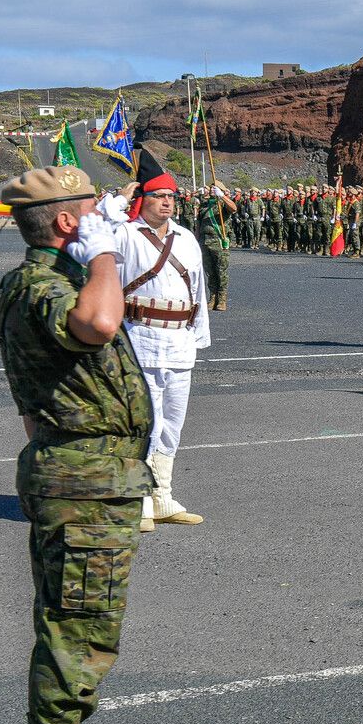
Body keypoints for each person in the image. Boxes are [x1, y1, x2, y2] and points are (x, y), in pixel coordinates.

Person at [0, 166, 152, 724]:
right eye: (92, 208)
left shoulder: (38, 279)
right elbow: (99, 323)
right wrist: (107, 254)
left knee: (75, 625)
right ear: (67, 222)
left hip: (84, 474)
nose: (103, 214)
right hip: (84, 483)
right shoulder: (45, 283)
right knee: (77, 632)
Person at [116, 154, 210, 533]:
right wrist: (119, 203)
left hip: (180, 342)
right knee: (143, 423)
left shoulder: (186, 238)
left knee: (172, 421)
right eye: (158, 196)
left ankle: (163, 497)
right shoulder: (124, 233)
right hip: (140, 339)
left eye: (171, 196)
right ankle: (138, 501)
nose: (167, 202)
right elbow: (90, 238)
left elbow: (199, 291)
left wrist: (199, 334)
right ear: (143, 199)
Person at [195, 179, 237, 310]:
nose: (212, 190)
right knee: (210, 272)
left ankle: (222, 299)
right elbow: (198, 223)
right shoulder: (205, 204)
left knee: (221, 271)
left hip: (218, 241)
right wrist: (196, 239)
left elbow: (234, 208)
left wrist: (222, 196)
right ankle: (212, 298)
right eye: (212, 188)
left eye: (215, 188)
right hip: (205, 241)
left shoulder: (222, 204)